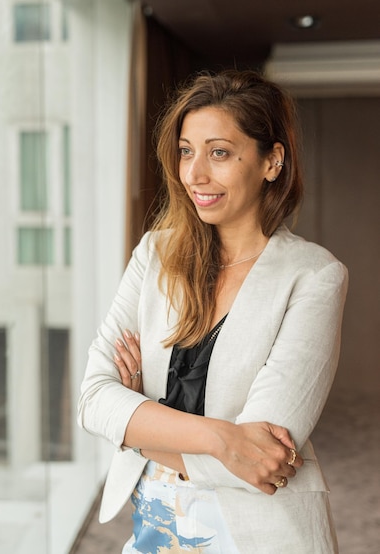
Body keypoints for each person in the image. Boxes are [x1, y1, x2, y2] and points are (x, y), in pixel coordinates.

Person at [77, 69, 348, 553]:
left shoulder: (314, 276)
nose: (195, 174)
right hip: (156, 529)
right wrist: (223, 439)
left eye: (219, 152)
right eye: (186, 150)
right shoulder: (155, 254)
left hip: (261, 535)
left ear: (272, 161)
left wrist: (139, 422)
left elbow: (264, 462)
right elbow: (94, 400)